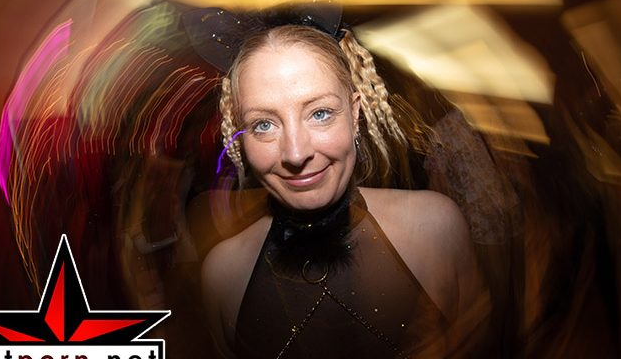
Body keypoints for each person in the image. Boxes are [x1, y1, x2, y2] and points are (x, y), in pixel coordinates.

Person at [200, 24, 488, 358]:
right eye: (263, 124)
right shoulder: (222, 276)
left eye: (320, 113)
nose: (295, 153)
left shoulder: (436, 228)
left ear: (354, 112)